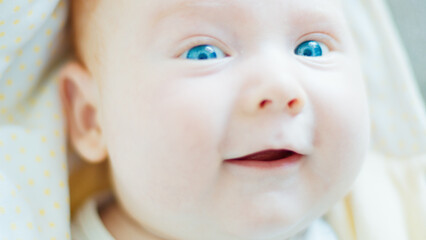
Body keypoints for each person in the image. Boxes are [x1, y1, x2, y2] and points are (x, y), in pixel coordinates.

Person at [60, 0, 420, 239]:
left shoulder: (391, 218)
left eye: (312, 49)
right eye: (204, 53)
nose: (281, 87)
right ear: (91, 117)